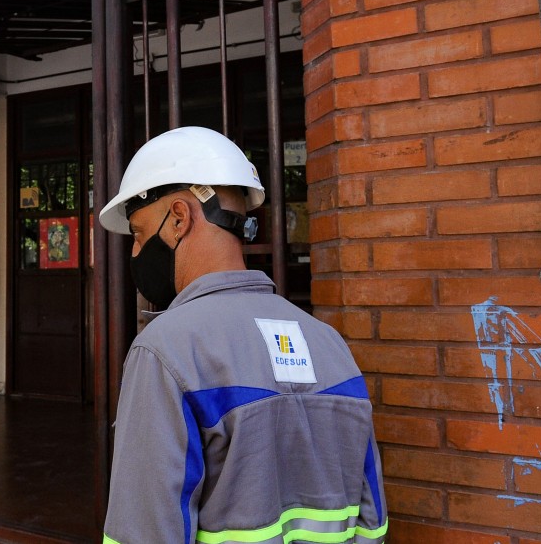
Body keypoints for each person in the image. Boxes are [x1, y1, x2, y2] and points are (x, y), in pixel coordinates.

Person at [98, 126, 387, 544]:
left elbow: (143, 533)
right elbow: (372, 524)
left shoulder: (166, 351)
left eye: (139, 234)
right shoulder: (329, 344)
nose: (136, 253)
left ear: (179, 217)